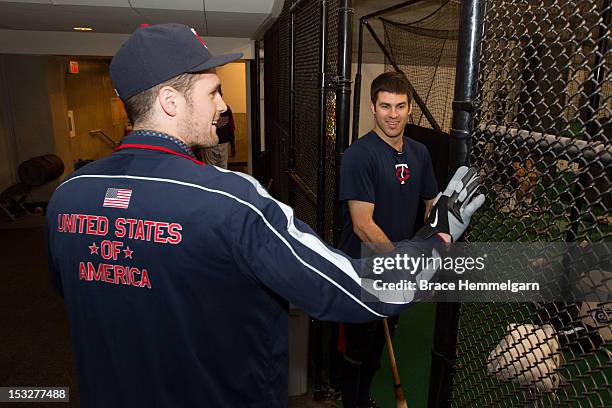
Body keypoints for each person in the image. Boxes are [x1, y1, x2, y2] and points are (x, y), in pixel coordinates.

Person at [45, 24, 483, 408]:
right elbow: (349, 288)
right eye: (213, 92)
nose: (221, 106)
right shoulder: (231, 199)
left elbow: (83, 289)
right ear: (169, 101)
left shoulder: (68, 196)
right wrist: (436, 239)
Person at [337, 71, 439, 408]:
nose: (392, 114)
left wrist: (434, 231)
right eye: (385, 106)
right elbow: (362, 225)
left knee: (383, 340)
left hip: (398, 265)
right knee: (358, 348)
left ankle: (363, 397)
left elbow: (430, 202)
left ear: (410, 108)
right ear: (373, 107)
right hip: (364, 268)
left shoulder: (419, 153)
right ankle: (352, 401)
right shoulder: (359, 155)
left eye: (399, 106)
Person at [194, 91, 236, 168]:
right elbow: (231, 127)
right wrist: (233, 145)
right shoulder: (225, 108)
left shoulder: (206, 108)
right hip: (215, 142)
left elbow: (231, 127)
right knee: (222, 167)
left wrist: (233, 145)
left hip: (216, 142)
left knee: (211, 167)